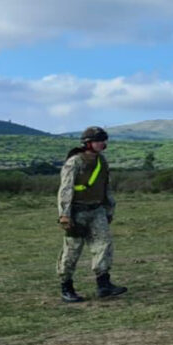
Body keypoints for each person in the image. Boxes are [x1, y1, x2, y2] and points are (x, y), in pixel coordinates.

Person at [56, 126, 127, 302]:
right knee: (72, 250)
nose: (102, 143)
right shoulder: (74, 162)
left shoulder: (101, 161)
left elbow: (105, 187)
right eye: (98, 141)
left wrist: (109, 209)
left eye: (103, 140)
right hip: (77, 212)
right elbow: (65, 188)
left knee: (103, 245)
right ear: (88, 143)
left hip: (97, 210)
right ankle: (66, 287)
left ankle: (104, 285)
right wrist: (64, 214)